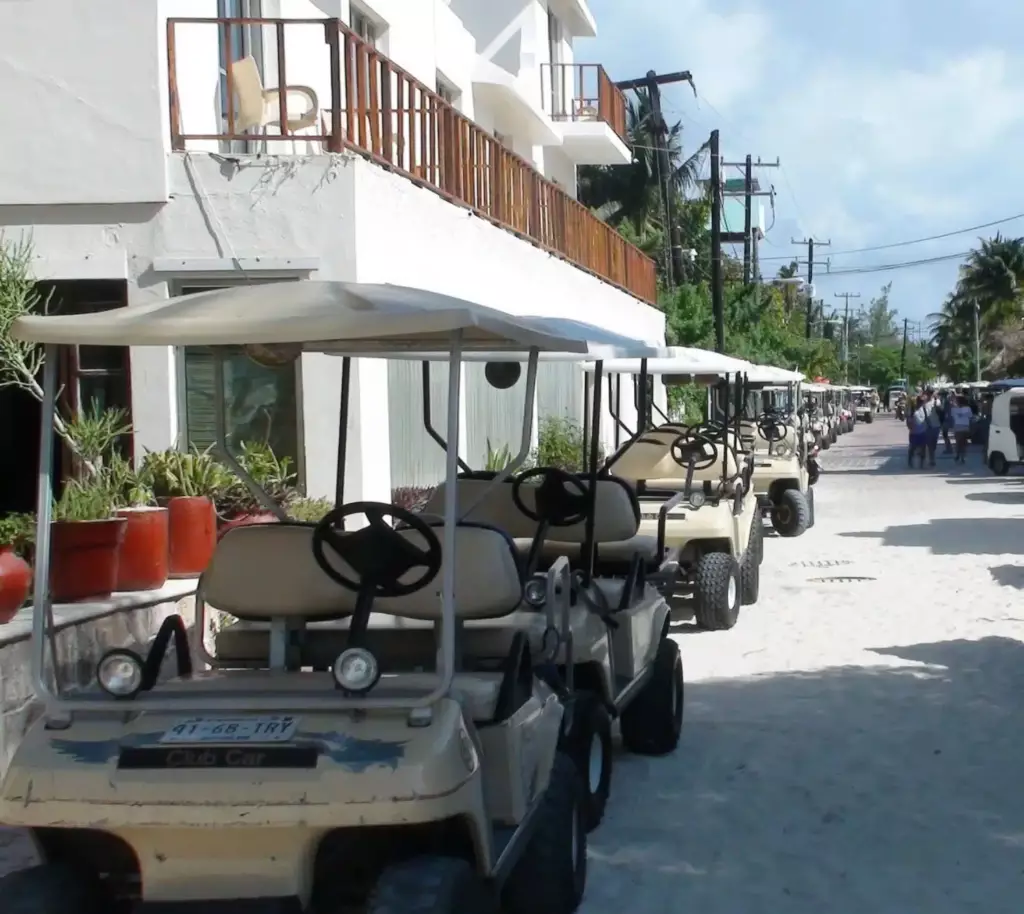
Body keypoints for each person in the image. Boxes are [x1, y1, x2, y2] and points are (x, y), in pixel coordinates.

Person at [907, 394, 928, 469]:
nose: (922, 403)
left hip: (923, 432)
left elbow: (927, 419)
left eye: (923, 401)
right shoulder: (913, 410)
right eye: (920, 401)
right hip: (914, 433)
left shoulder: (924, 409)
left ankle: (922, 464)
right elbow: (908, 421)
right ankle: (910, 461)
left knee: (923, 449)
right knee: (912, 448)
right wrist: (910, 427)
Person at [950, 394, 973, 464]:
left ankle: (957, 454)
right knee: (964, 443)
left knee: (958, 442)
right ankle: (963, 456)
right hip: (966, 426)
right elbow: (970, 416)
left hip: (958, 426)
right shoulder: (968, 408)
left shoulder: (953, 409)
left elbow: (952, 416)